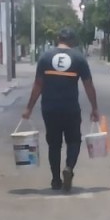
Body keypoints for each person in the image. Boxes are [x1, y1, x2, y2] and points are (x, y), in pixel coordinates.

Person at [22, 28, 99, 192]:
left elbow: (38, 85)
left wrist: (29, 108)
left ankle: (56, 180)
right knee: (74, 140)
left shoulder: (45, 57)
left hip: (49, 108)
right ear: (72, 41)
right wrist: (94, 108)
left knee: (54, 145)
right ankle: (69, 167)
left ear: (58, 39)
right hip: (70, 107)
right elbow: (88, 85)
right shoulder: (78, 58)